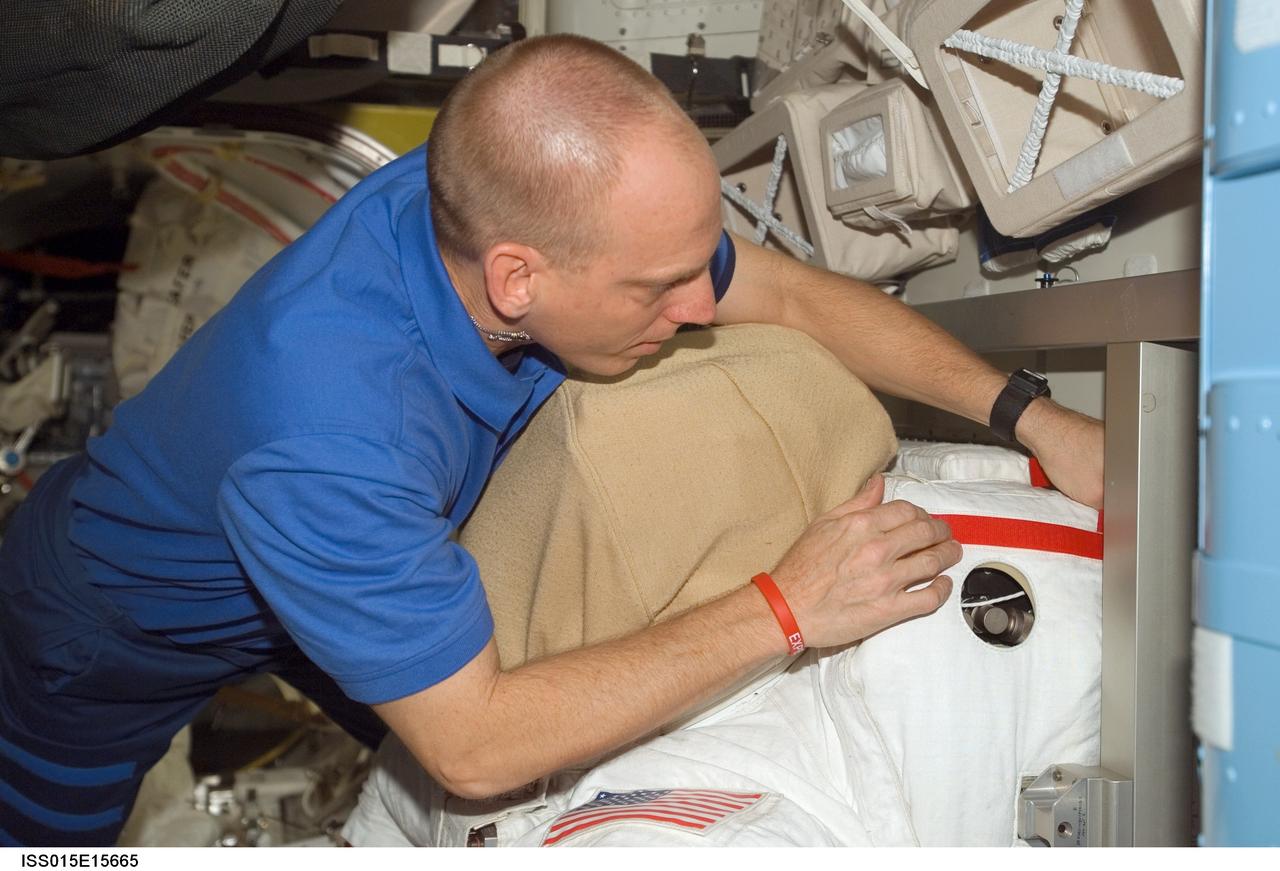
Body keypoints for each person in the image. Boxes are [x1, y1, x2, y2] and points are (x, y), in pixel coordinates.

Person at [0, 34, 1103, 847]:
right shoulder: (332, 442)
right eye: (657, 288)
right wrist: (784, 606)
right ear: (517, 279)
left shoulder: (512, 198)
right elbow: (474, 745)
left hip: (319, 550)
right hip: (104, 635)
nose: (696, 309)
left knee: (453, 776)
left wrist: (1034, 417)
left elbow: (790, 296)